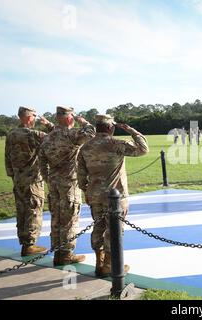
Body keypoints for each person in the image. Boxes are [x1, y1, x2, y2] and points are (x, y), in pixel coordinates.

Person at [77, 115, 148, 277]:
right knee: (114, 231)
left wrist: (86, 191)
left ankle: (99, 262)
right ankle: (110, 265)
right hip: (115, 197)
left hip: (94, 196)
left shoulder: (86, 147)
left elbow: (81, 175)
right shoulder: (116, 143)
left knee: (98, 227)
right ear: (111, 128)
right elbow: (143, 149)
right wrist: (131, 130)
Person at [39, 106, 95, 266]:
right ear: (70, 118)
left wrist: (48, 179)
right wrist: (84, 122)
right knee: (69, 218)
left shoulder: (48, 138)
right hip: (69, 183)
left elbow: (42, 163)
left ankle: (57, 251)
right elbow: (91, 133)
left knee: (56, 217)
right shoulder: (71, 135)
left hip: (54, 183)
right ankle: (66, 254)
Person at [5, 107, 54, 256]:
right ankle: (29, 245)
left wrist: (12, 175)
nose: (35, 119)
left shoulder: (11, 134)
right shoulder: (33, 134)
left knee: (22, 211)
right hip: (32, 180)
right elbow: (56, 138)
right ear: (27, 118)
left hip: (18, 180)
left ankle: (24, 242)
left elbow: (7, 157)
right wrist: (48, 124)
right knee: (34, 211)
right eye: (33, 116)